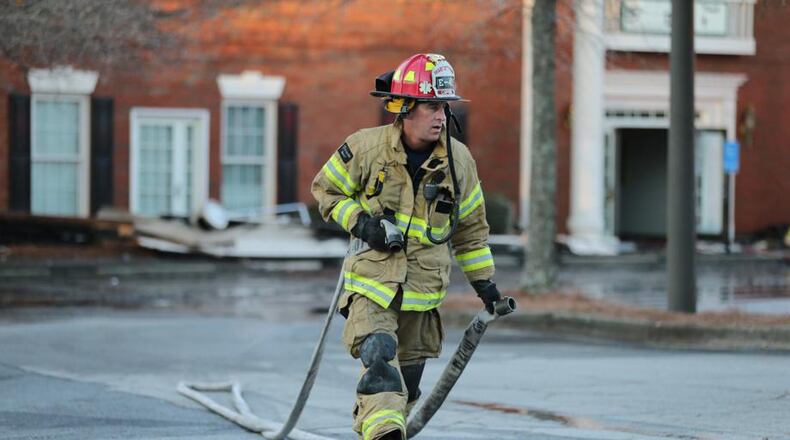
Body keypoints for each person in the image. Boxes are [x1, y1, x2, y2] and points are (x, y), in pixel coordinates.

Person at [311, 53, 502, 440]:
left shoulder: (460, 162)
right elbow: (326, 190)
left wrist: (485, 285)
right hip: (371, 286)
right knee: (379, 360)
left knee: (405, 389)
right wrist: (361, 222)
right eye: (431, 106)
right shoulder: (365, 148)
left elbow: (471, 231)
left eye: (444, 107)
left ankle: (382, 428)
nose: (440, 116)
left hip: (422, 295)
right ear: (404, 107)